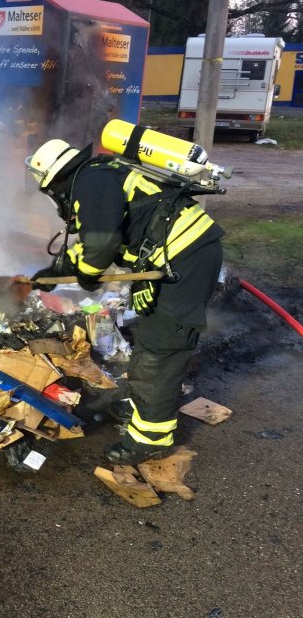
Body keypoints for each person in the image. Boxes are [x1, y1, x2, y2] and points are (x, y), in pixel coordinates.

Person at [25, 132, 224, 466]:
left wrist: (86, 272)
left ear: (54, 182)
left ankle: (151, 439)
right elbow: (99, 239)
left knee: (161, 347)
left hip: (185, 259)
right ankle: (145, 405)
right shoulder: (99, 174)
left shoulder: (90, 181)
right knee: (150, 337)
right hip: (177, 256)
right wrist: (55, 269)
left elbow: (100, 248)